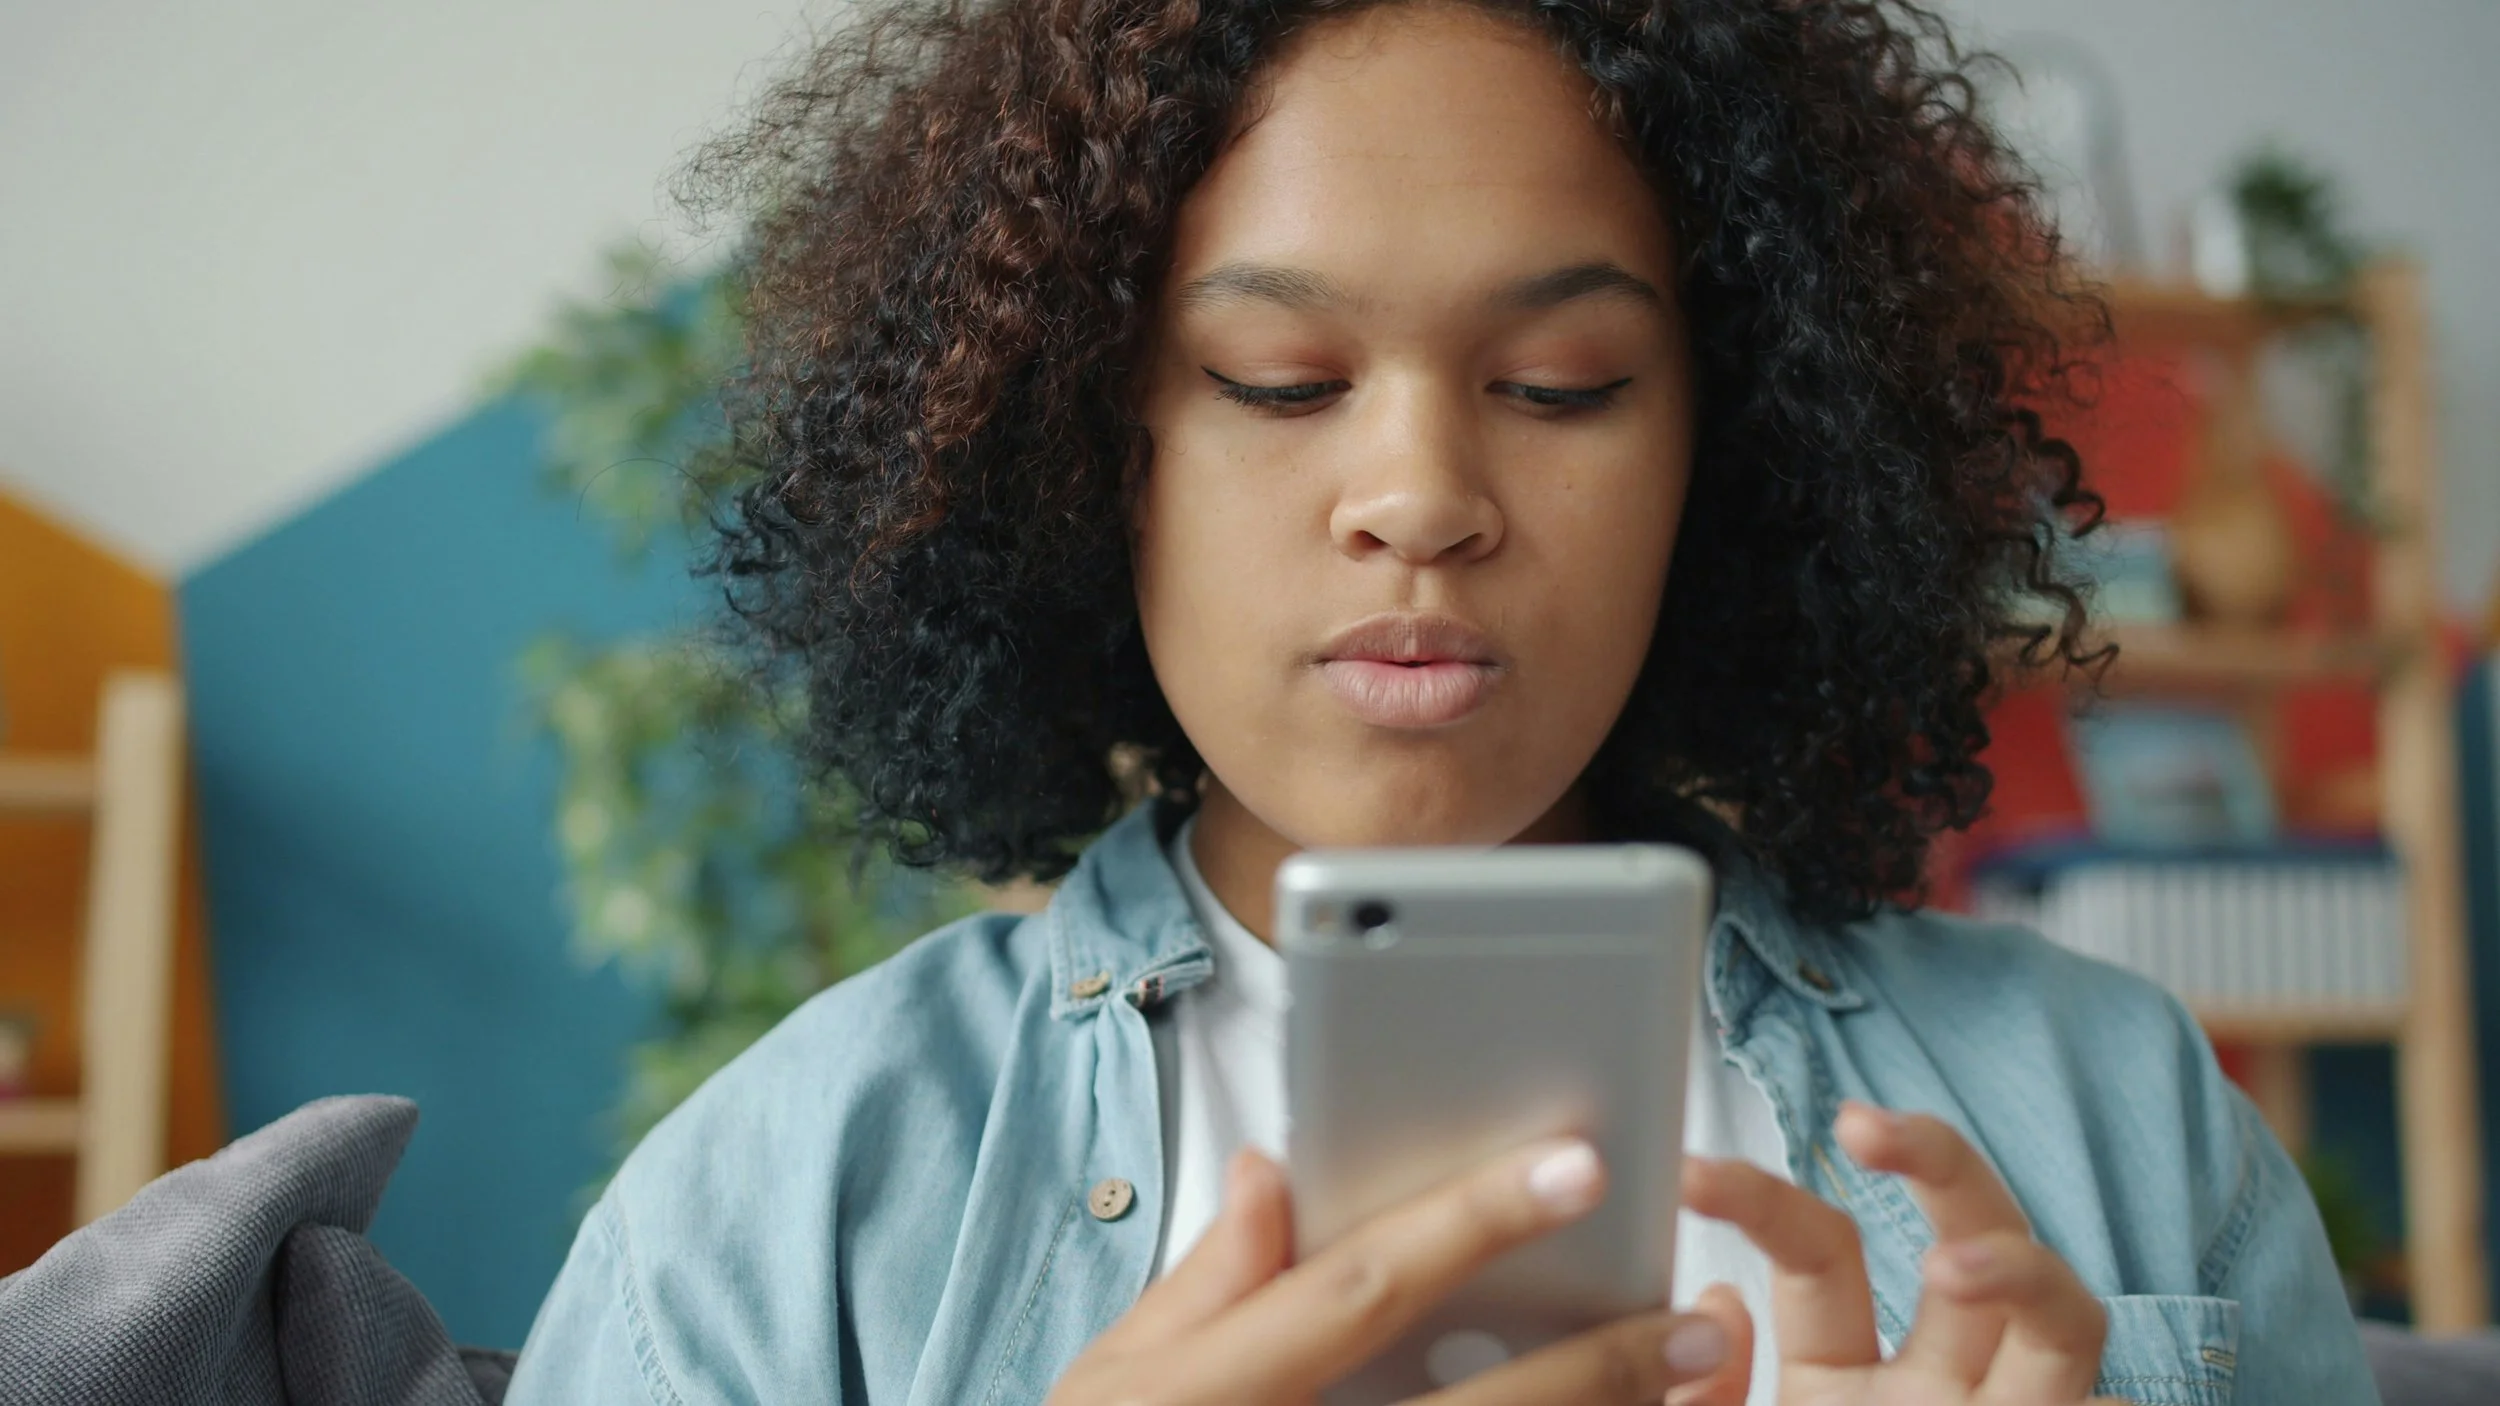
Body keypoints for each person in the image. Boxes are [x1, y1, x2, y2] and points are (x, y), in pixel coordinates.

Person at [506, 0, 2378, 1401]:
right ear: (1096, 444)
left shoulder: (2124, 1119)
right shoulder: (763, 1224)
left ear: (1728, 455)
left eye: (1562, 383)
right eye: (1278, 377)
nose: (1420, 495)